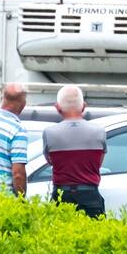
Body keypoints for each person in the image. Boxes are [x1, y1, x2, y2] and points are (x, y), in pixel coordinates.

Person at [42, 84, 107, 216]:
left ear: (57, 107)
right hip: (90, 196)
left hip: (61, 196)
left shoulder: (49, 133)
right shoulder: (99, 132)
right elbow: (98, 164)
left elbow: (50, 161)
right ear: (84, 106)